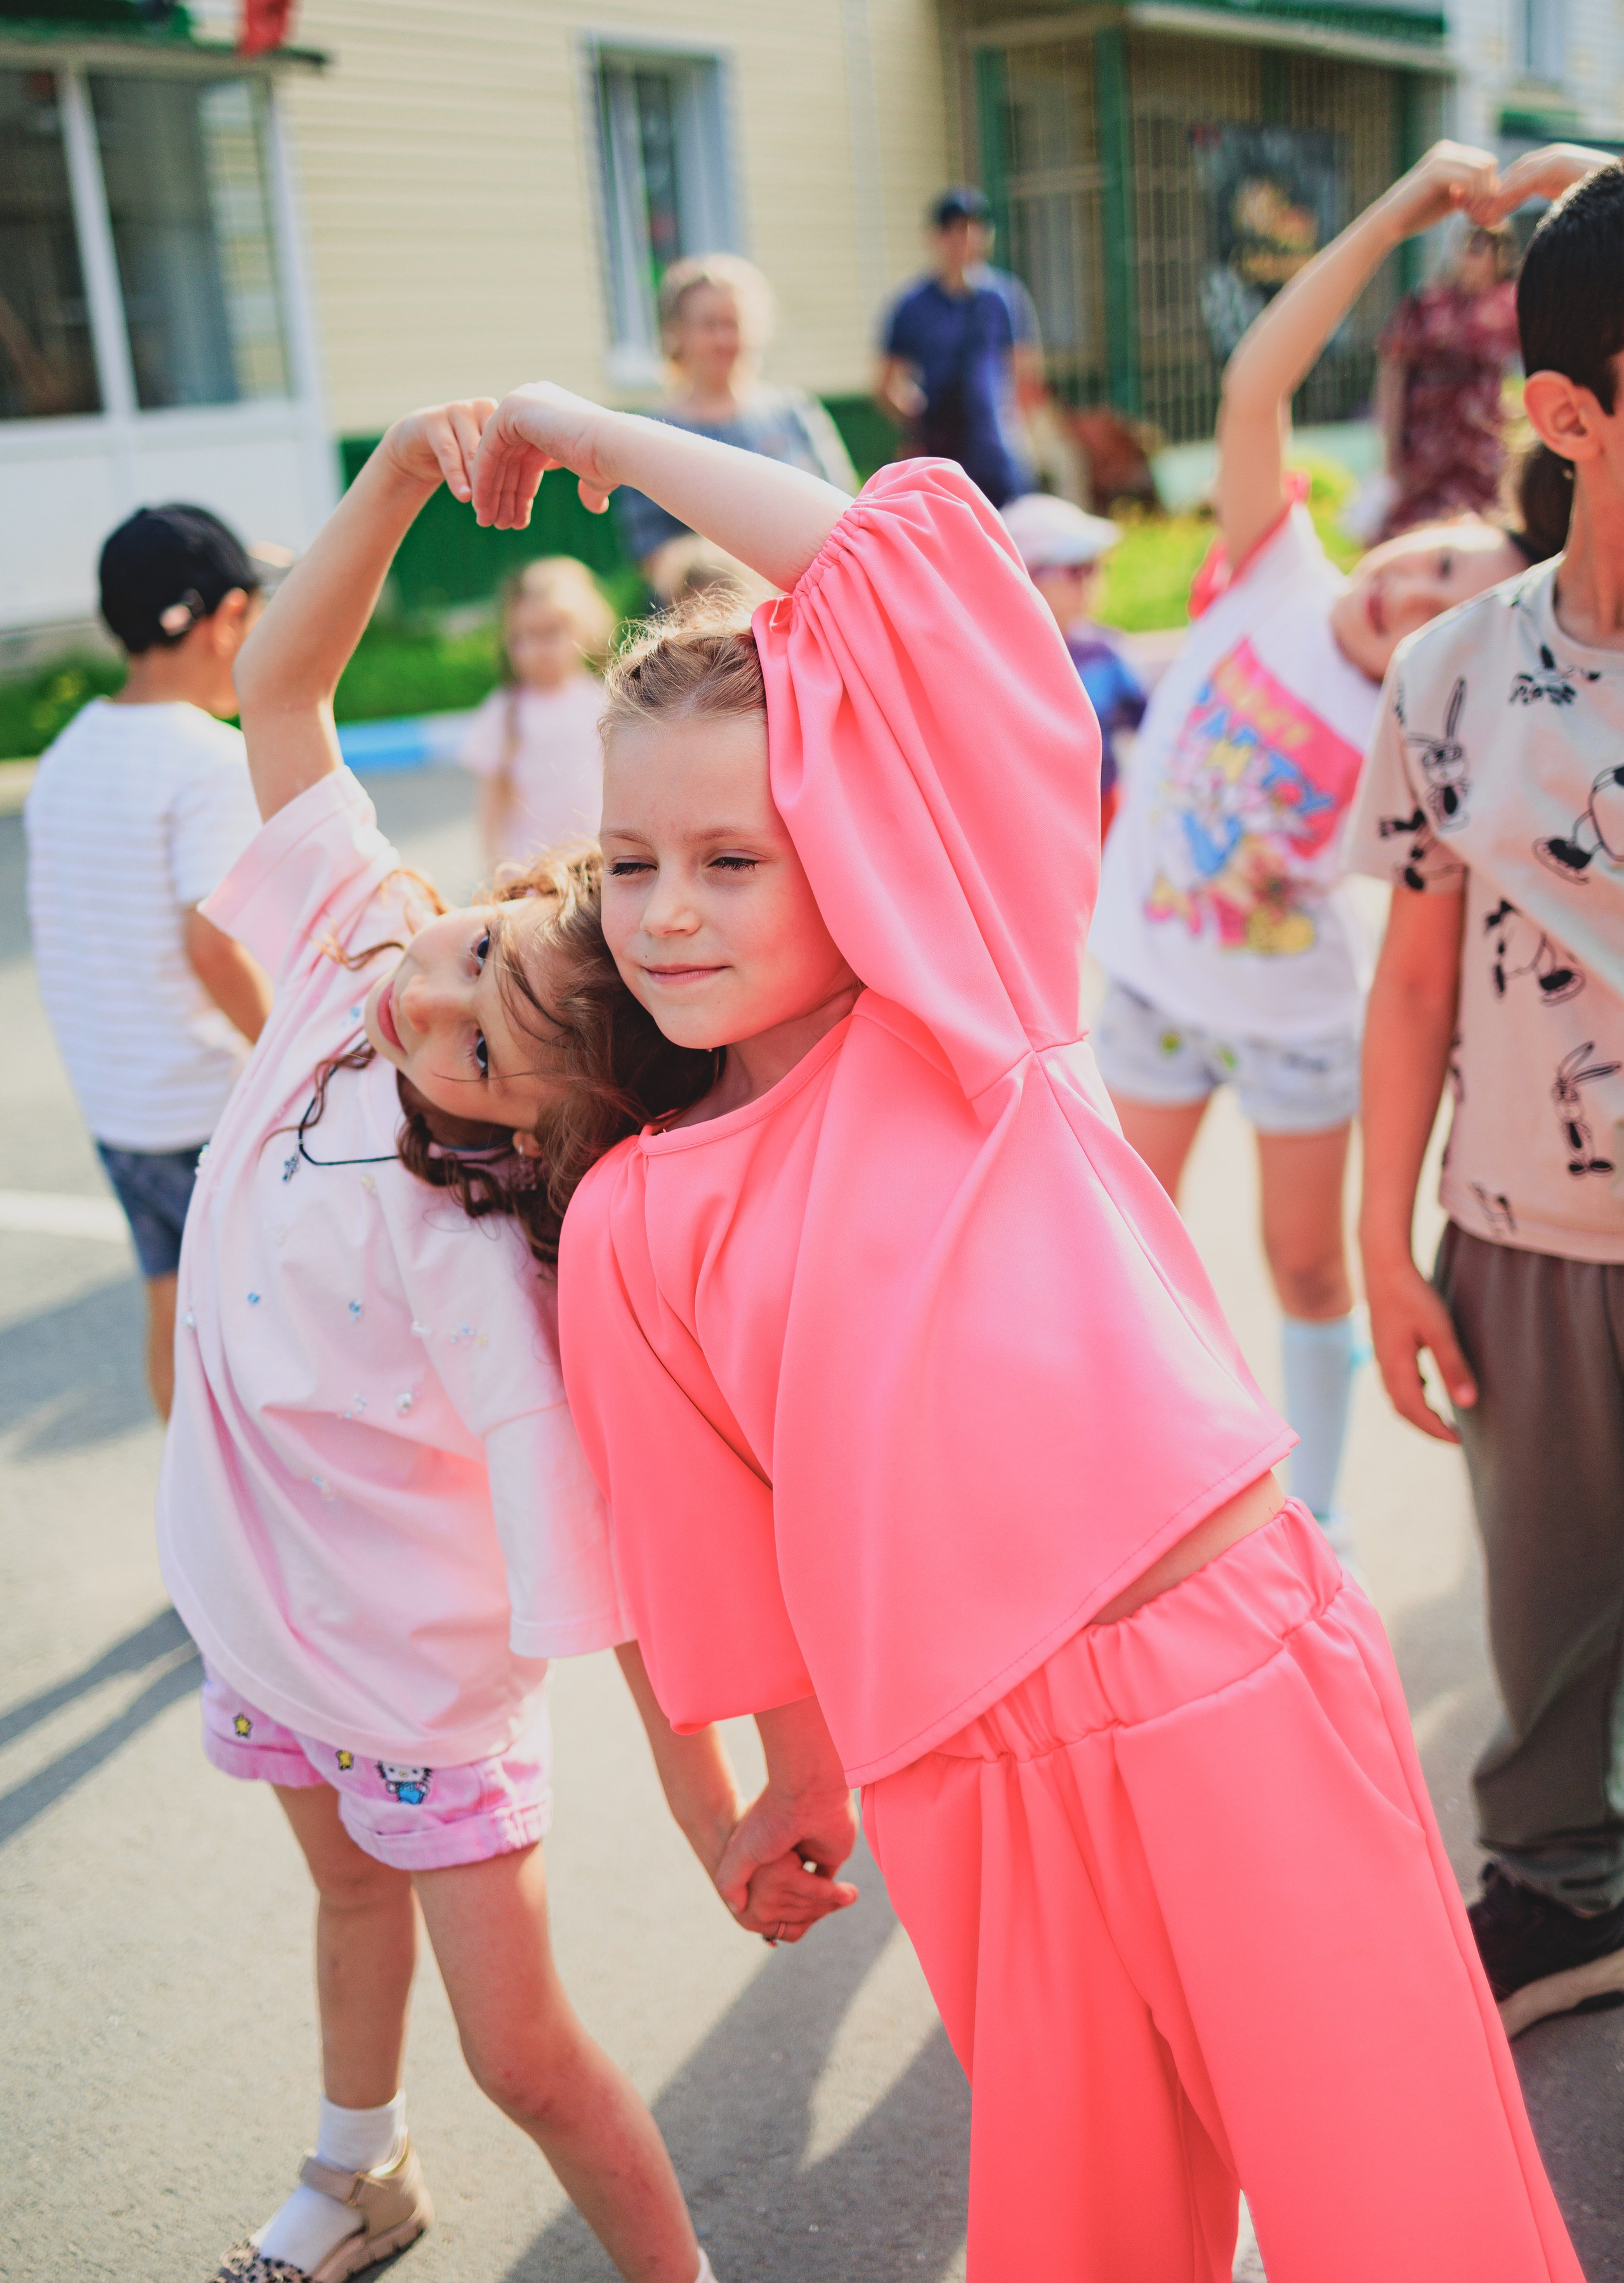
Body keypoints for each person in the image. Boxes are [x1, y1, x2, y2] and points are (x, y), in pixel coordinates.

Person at [467, 380, 1583, 2283]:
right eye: (629, 860)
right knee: (1083, 2237)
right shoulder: (632, 1217)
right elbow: (725, 1565)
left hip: (1222, 1671)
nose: (663, 910)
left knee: (1404, 2208)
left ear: (849, 846)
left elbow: (906, 559)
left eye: (731, 856)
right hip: (957, 1768)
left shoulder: (960, 1001)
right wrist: (790, 1786)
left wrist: (602, 437)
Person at [162, 404, 851, 2283]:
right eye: (471, 951)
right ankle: (355, 2172)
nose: (430, 1003)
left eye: (481, 1046)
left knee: (524, 2052)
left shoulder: (492, 1271)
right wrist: (395, 476)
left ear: (541, 1135)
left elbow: (623, 1588)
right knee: (340, 1898)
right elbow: (282, 688)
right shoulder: (356, 951)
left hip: (412, 1691)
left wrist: (717, 1817)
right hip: (260, 1614)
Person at [1088, 143, 1536, 1559]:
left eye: (1444, 611)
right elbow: (1253, 385)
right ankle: (1130, 1490)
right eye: (1431, 559)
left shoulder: (1423, 719)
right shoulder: (1278, 568)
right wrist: (1396, 212)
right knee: (1120, 1250)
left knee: (1301, 1266)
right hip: (1152, 990)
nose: (1411, 595)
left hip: (1293, 1029)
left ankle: (1320, 1517)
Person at [1352, 143, 1624, 2042]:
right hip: (1523, 1236)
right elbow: (1409, 981)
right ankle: (1557, 1891)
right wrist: (1385, 1247)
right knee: (1545, 1609)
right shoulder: (1451, 673)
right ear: (1567, 415)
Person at [25, 505, 273, 1418]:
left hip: (118, 1100)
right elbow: (212, 944)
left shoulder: (68, 753)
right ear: (228, 618)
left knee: (170, 1298)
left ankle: (188, 1488)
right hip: (202, 1097)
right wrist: (289, 1047)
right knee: (256, 1319)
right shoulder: (205, 760)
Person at [613, 252, 855, 585]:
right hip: (705, 610)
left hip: (805, 598)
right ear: (677, 333)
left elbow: (844, 512)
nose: (723, 339)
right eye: (709, 325)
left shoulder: (795, 412)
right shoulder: (652, 433)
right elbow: (650, 551)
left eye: (734, 324)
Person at [876, 186, 1042, 509]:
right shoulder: (913, 305)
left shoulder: (1004, 297)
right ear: (936, 237)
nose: (964, 239)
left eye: (974, 228)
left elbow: (1026, 374)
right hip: (940, 454)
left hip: (996, 453)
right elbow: (886, 384)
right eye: (953, 229)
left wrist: (1017, 432)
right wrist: (920, 421)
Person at [459, 555, 613, 876]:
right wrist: (496, 868)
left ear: (582, 629)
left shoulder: (603, 701)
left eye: (551, 633)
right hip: (532, 869)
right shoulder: (505, 711)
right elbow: (492, 801)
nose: (539, 649)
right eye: (526, 636)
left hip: (596, 862)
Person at [1001, 492, 1144, 835]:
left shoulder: (1104, 654)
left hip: (1103, 817)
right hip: (1032, 825)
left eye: (1094, 567)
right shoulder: (998, 667)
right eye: (1077, 569)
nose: (1091, 579)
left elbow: (1150, 725)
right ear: (1026, 577)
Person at [1375, 218, 1521, 536]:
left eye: (1482, 247)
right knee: (1415, 533)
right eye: (1466, 245)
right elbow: (1393, 371)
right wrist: (1389, 444)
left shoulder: (1510, 305)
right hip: (1428, 449)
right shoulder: (1427, 304)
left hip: (1483, 451)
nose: (1472, 256)